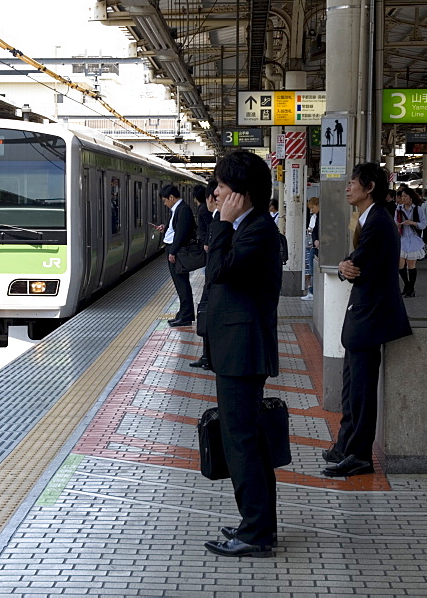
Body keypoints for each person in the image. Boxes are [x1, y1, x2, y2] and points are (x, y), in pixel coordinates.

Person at [202, 150, 282, 559]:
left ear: (242, 195)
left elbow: (217, 271)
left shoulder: (256, 231)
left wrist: (222, 223)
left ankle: (255, 533)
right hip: (235, 349)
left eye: (222, 186)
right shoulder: (249, 226)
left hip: (243, 352)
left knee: (242, 443)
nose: (215, 193)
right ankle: (256, 524)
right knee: (246, 441)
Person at [323, 163, 412, 478]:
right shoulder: (368, 219)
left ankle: (360, 456)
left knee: (361, 392)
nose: (348, 187)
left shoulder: (377, 222)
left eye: (353, 182)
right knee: (351, 388)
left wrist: (347, 264)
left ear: (370, 186)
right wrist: (347, 264)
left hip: (370, 318)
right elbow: (353, 264)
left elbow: (357, 264)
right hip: (364, 317)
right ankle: (345, 446)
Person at [155, 184, 195, 327]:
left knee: (182, 283)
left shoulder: (183, 209)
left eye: (165, 200)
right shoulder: (177, 209)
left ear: (171, 197)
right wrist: (165, 228)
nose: (165, 203)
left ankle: (186, 315)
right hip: (173, 248)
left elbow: (181, 233)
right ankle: (183, 313)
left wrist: (173, 252)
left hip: (176, 251)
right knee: (179, 284)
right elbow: (175, 229)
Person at [191, 181, 218, 370]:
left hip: (214, 277)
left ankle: (209, 357)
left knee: (207, 311)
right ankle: (208, 355)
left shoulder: (219, 221)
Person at [394, 186, 425, 298]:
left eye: (405, 196)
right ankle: (408, 285)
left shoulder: (418, 209)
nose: (403, 198)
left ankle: (410, 288)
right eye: (402, 196)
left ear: (411, 197)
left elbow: (423, 224)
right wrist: (397, 224)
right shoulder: (398, 209)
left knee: (411, 265)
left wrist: (412, 223)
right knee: (400, 265)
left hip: (414, 240)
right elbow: (394, 221)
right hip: (402, 239)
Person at [303, 197, 319, 300]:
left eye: (313, 207)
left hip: (315, 246)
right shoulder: (314, 216)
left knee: (312, 270)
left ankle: (313, 292)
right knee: (310, 268)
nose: (311, 210)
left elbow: (314, 231)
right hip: (312, 244)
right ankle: (311, 291)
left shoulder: (321, 217)